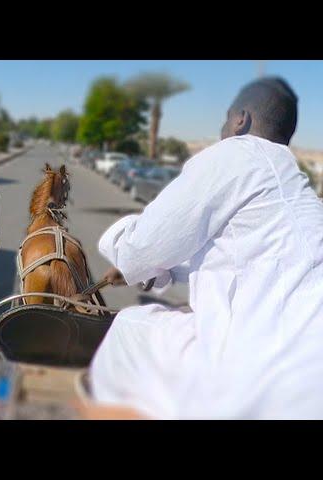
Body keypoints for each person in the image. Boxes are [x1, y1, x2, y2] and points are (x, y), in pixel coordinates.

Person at [89, 77, 323, 419]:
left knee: (129, 327)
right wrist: (160, 273)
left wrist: (127, 260)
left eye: (225, 119)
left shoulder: (235, 154)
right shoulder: (294, 182)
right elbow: (241, 264)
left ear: (240, 118)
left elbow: (140, 248)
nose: (221, 129)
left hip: (261, 361)